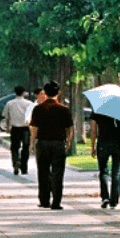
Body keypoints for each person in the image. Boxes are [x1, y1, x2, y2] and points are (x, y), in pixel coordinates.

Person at [29, 81, 73, 210]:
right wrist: (68, 141)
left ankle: (44, 200)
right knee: (58, 173)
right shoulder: (63, 109)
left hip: (42, 143)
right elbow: (69, 128)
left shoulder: (38, 108)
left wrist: (32, 143)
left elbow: (34, 128)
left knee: (43, 172)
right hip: (58, 143)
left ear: (45, 92)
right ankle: (56, 202)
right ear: (58, 93)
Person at [89, 112, 120, 209]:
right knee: (116, 173)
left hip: (103, 142)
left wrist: (93, 146)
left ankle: (105, 197)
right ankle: (114, 200)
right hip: (119, 143)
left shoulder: (98, 110)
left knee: (103, 171)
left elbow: (93, 130)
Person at [3, 85, 34, 175]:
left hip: (15, 128)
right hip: (25, 128)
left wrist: (7, 127)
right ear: (24, 93)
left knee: (14, 148)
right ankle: (23, 167)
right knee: (25, 148)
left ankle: (16, 162)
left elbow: (7, 117)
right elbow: (31, 117)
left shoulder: (10, 103)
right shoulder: (29, 103)